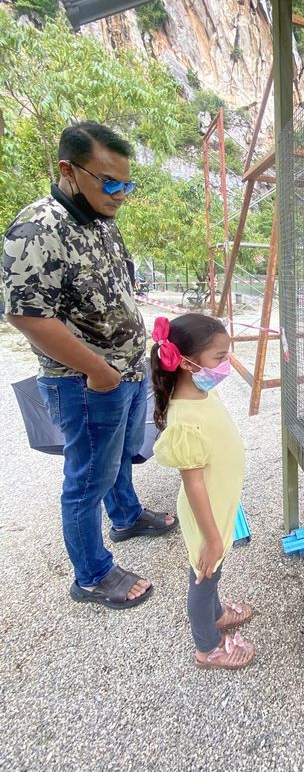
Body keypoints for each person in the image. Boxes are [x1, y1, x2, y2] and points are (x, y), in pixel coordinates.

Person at [3, 121, 177, 609]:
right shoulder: (38, 227)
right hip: (84, 383)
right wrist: (99, 371)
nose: (121, 193)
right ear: (69, 171)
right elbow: (25, 314)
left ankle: (125, 518)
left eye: (127, 184)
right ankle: (92, 574)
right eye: (110, 182)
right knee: (86, 478)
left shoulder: (102, 219)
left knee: (119, 456)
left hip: (125, 371)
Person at [151, 314, 255, 670]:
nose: (226, 365)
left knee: (213, 571)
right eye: (220, 357)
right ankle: (207, 647)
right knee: (203, 575)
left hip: (218, 504)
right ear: (185, 362)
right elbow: (193, 483)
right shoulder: (184, 418)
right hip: (205, 512)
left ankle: (217, 614)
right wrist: (211, 537)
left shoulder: (200, 391)